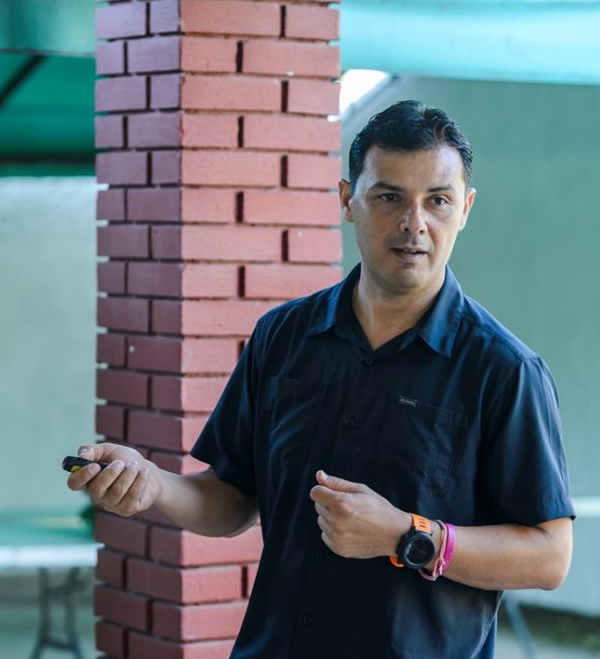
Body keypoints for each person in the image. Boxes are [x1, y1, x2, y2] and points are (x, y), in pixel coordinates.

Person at [68, 100, 574, 658]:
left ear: (465, 209)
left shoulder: (504, 370)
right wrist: (154, 483)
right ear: (346, 201)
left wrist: (406, 534)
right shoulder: (282, 337)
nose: (414, 223)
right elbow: (232, 499)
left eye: (437, 200)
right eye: (389, 197)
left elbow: (550, 556)